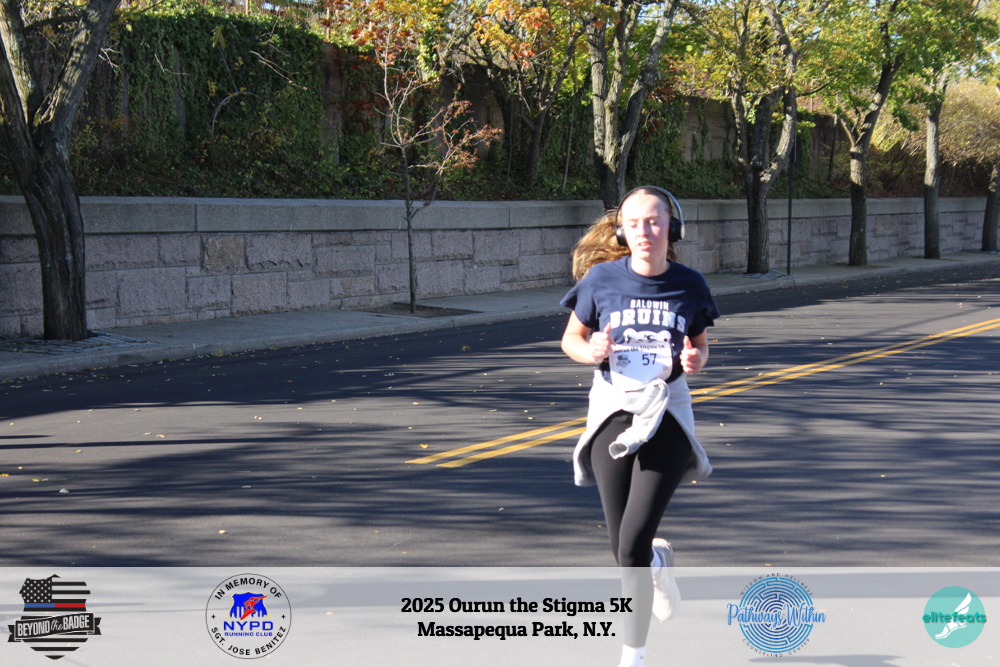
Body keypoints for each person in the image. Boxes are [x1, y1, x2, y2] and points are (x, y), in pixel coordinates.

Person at [559, 186, 719, 667]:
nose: (645, 231)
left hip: (666, 412)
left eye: (654, 220)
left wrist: (696, 360)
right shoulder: (601, 280)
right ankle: (657, 561)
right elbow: (572, 339)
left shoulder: (689, 285)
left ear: (673, 227)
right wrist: (590, 351)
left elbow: (700, 345)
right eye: (634, 223)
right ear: (622, 232)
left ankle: (634, 655)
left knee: (631, 543)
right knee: (623, 549)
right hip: (613, 410)